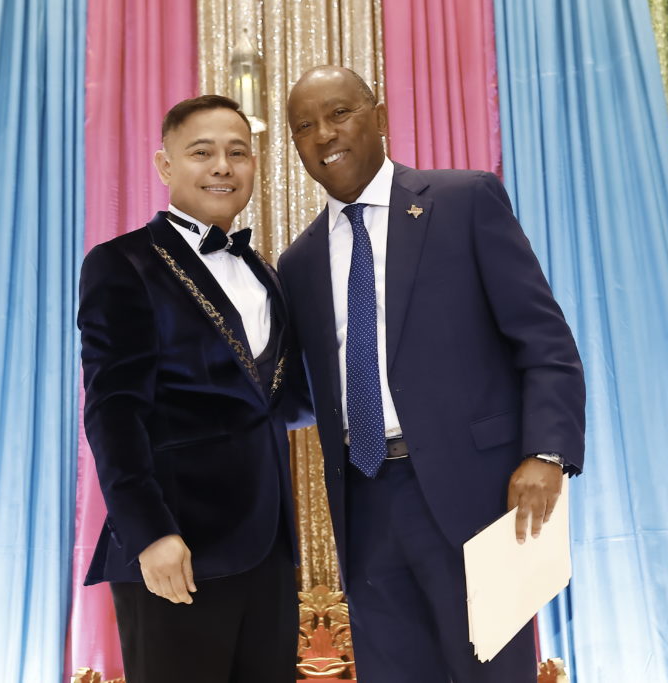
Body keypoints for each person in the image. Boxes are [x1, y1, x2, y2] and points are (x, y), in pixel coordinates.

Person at [278, 66, 586, 683]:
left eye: (339, 113)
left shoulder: (464, 199)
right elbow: (304, 394)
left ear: (380, 115)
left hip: (475, 496)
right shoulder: (299, 261)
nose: (323, 134)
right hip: (364, 506)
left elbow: (544, 339)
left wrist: (547, 454)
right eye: (304, 126)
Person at [77, 94, 302, 683]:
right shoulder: (121, 263)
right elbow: (112, 412)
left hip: (270, 550)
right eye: (202, 153)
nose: (223, 167)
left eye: (238, 153)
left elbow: (280, 399)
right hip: (178, 547)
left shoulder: (265, 275)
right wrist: (150, 531)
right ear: (164, 165)